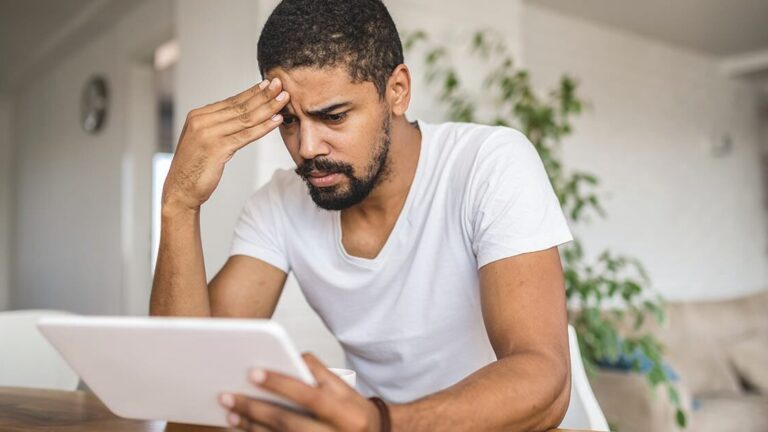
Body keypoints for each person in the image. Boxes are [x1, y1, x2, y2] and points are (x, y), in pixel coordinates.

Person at [150, 0, 574, 430]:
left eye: (333, 116)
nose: (307, 147)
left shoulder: (489, 163)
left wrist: (382, 423)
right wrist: (179, 204)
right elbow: (190, 388)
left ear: (397, 91)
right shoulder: (280, 202)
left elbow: (545, 379)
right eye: (289, 121)